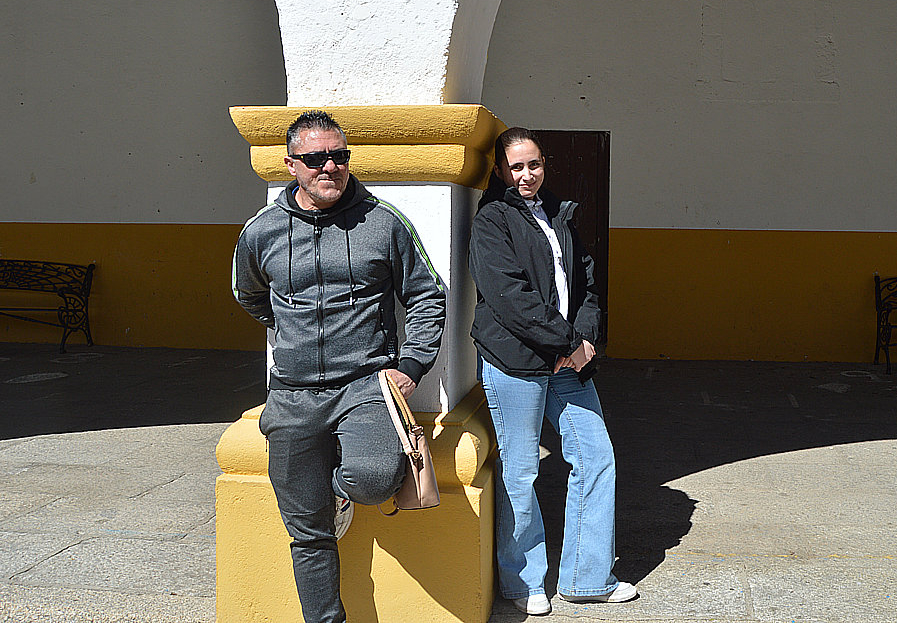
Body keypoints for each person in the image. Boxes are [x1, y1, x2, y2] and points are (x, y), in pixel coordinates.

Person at [232, 110, 446, 623]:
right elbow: (248, 294)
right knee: (307, 533)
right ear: (291, 164)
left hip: (365, 386)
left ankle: (338, 494)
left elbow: (427, 294)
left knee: (374, 478)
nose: (329, 166)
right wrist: (295, 331)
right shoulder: (261, 231)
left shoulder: (384, 222)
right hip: (292, 394)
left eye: (339, 156)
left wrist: (412, 364)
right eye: (315, 158)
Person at [469, 127, 637, 616]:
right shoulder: (492, 220)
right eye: (517, 167)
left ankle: (587, 579)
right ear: (501, 171)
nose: (528, 174)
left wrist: (583, 338)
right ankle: (523, 582)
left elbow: (586, 283)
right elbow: (508, 297)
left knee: (596, 456)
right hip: (516, 362)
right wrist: (567, 342)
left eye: (535, 164)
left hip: (567, 362)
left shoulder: (558, 214)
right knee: (521, 471)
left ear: (545, 164)